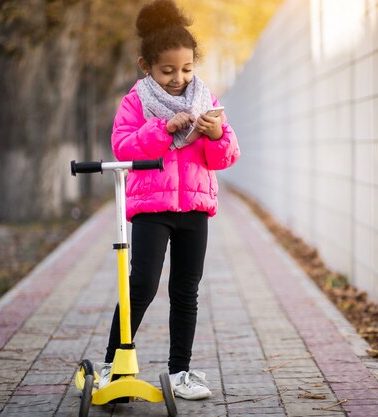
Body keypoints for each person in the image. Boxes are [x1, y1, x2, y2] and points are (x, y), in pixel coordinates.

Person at [99, 0, 240, 401]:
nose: (178, 78)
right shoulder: (136, 101)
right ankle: (114, 364)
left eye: (186, 69)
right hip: (151, 209)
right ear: (146, 66)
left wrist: (216, 135)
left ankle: (181, 371)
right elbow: (122, 147)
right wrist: (163, 128)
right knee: (141, 284)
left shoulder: (205, 98)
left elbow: (225, 157)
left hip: (194, 208)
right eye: (168, 70)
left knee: (186, 290)